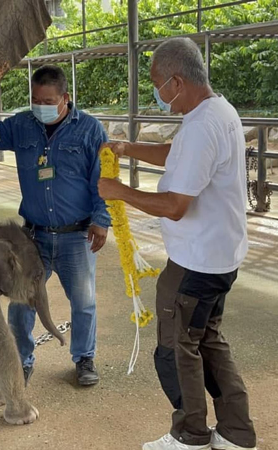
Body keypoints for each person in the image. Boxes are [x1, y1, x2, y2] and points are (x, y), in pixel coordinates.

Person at [98, 38, 258, 450]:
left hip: (195, 263)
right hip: (221, 257)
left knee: (175, 348)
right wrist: (129, 148)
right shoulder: (218, 112)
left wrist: (119, 191)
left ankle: (190, 434)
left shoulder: (203, 124)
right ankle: (236, 433)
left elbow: (174, 206)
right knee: (208, 341)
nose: (157, 93)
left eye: (157, 84)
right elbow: (178, 154)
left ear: (176, 80)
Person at [0, 65, 111, 387]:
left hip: (76, 235)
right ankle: (21, 361)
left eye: (48, 100)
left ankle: (84, 358)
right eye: (36, 99)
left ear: (65, 97)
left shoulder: (90, 130)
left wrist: (101, 220)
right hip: (33, 236)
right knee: (21, 303)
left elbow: (103, 180)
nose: (41, 105)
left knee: (83, 302)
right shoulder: (23, 124)